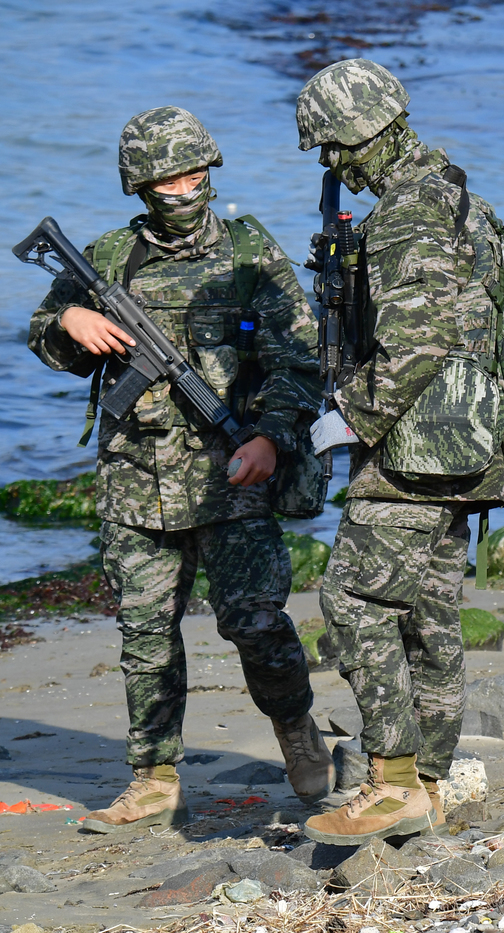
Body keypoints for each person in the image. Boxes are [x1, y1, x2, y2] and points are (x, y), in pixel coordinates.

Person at [28, 106, 333, 832]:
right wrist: (69, 324)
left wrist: (270, 438)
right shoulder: (109, 258)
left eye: (194, 174)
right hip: (136, 477)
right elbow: (44, 336)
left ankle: (295, 726)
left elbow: (299, 360)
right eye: (167, 180)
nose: (184, 189)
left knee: (256, 624)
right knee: (144, 635)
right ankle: (154, 777)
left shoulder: (249, 252)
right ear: (139, 185)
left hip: (231, 473)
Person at [295, 59, 504, 844]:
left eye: (334, 145)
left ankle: (391, 785)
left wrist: (349, 416)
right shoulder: (458, 196)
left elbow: (417, 342)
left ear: (365, 133)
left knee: (353, 600)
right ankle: (428, 784)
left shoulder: (409, 212)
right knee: (429, 617)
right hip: (466, 441)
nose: (332, 163)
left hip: (415, 449)